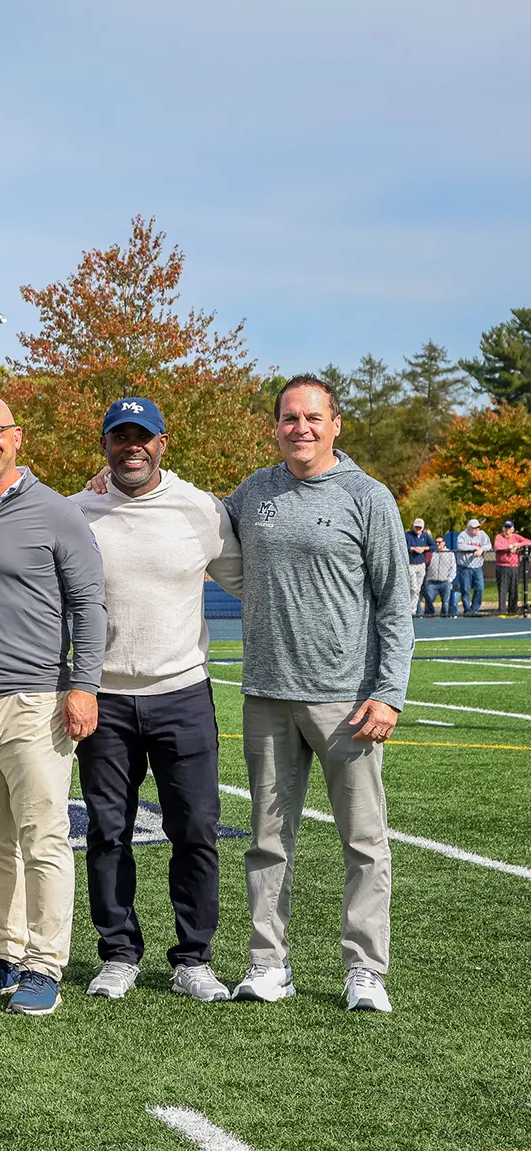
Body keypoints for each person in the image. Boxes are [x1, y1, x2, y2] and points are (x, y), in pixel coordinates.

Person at [225, 374, 412, 1013]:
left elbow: (394, 603)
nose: (299, 428)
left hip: (347, 702)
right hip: (266, 694)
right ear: (275, 426)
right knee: (267, 840)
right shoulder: (253, 493)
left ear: (336, 424)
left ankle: (365, 970)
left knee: (363, 841)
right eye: (287, 418)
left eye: (312, 418)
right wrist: (105, 490)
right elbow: (183, 520)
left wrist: (388, 693)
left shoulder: (369, 497)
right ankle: (268, 964)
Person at [0, 394, 106, 1018]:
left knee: (44, 838)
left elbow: (89, 606)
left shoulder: (57, 513)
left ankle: (45, 961)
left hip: (37, 698)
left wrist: (83, 684)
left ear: (17, 437)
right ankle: (3, 954)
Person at [71, 397, 242, 1003]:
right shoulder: (76, 511)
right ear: (105, 445)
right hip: (105, 700)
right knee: (107, 831)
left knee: (195, 829)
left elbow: (249, 578)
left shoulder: (199, 509)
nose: (131, 447)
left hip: (182, 693)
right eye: (120, 437)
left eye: (143, 436)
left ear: (163, 443)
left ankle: (193, 957)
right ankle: (118, 953)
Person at [455, 518, 492, 616]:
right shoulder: (463, 535)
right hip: (464, 567)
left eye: (478, 527)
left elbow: (489, 545)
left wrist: (481, 549)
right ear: (469, 528)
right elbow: (461, 547)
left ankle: (475, 609)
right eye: (474, 528)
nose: (476, 530)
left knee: (480, 588)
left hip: (477, 566)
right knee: (465, 589)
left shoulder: (482, 534)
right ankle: (467, 610)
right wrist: (475, 548)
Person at [496, 519, 528, 616]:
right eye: (505, 528)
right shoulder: (499, 537)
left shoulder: (516, 537)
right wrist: (510, 547)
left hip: (514, 567)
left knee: (514, 590)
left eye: (509, 528)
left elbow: (528, 542)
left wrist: (518, 544)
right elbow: (497, 546)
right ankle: (502, 612)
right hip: (503, 567)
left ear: (513, 529)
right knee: (503, 590)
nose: (507, 530)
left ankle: (512, 612)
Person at [422, 538, 456, 615]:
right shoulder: (431, 552)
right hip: (431, 582)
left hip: (445, 582)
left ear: (444, 543)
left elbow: (453, 568)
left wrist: (450, 579)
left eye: (439, 542)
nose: (437, 544)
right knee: (429, 602)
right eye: (436, 542)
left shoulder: (450, 553)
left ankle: (445, 618)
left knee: (445, 604)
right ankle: (428, 618)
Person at [405, 519, 432, 615]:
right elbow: (404, 546)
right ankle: (410, 609)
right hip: (411, 564)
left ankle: (413, 609)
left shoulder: (425, 536)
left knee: (418, 589)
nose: (418, 529)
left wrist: (424, 548)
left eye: (420, 527)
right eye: (416, 527)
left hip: (421, 565)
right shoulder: (408, 535)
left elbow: (433, 546)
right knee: (413, 587)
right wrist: (413, 548)